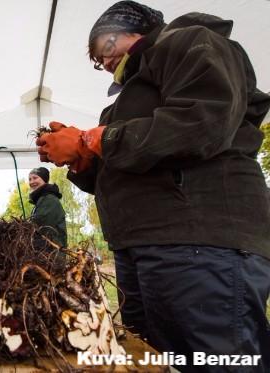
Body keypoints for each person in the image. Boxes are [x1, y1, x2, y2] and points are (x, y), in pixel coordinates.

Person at [36, 2, 270, 372]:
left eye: (102, 50)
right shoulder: (127, 99)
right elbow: (126, 167)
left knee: (218, 361)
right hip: (146, 246)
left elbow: (202, 123)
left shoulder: (191, 41)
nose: (101, 64)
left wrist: (90, 139)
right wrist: (81, 160)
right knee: (155, 359)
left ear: (126, 30)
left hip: (199, 241)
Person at [28, 167, 67, 251]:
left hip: (52, 254)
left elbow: (39, 225)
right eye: (30, 179)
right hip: (45, 252)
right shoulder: (42, 199)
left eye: (35, 178)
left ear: (44, 180)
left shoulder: (49, 199)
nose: (31, 182)